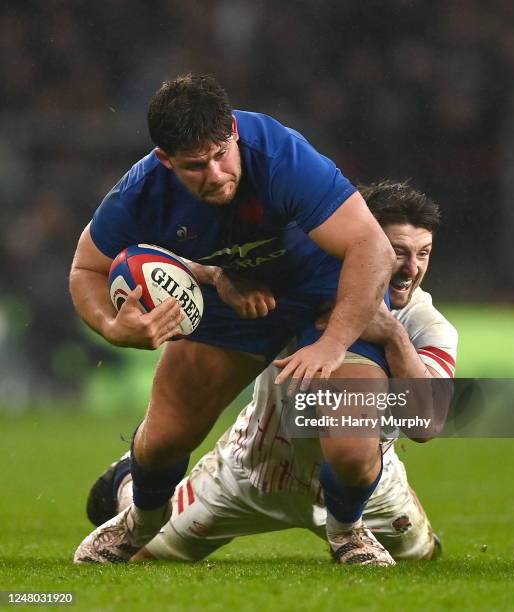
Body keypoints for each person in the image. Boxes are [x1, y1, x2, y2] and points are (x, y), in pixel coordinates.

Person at [70, 74, 395, 564]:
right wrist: (114, 327)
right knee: (162, 443)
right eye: (196, 167)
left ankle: (348, 531)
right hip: (240, 300)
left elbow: (372, 247)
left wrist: (333, 343)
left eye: (222, 154)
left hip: (329, 297)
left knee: (350, 448)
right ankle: (137, 520)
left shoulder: (280, 157)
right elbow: (86, 269)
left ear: (234, 133)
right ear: (165, 160)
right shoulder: (142, 191)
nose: (217, 174)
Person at [81, 181, 458, 564]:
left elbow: (426, 425)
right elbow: (196, 262)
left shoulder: (425, 324)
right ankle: (128, 480)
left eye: (423, 253)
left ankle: (359, 524)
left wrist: (393, 335)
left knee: (422, 557)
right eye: (397, 252)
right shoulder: (304, 287)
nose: (411, 268)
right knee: (142, 556)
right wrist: (216, 276)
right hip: (251, 472)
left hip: (368, 491)